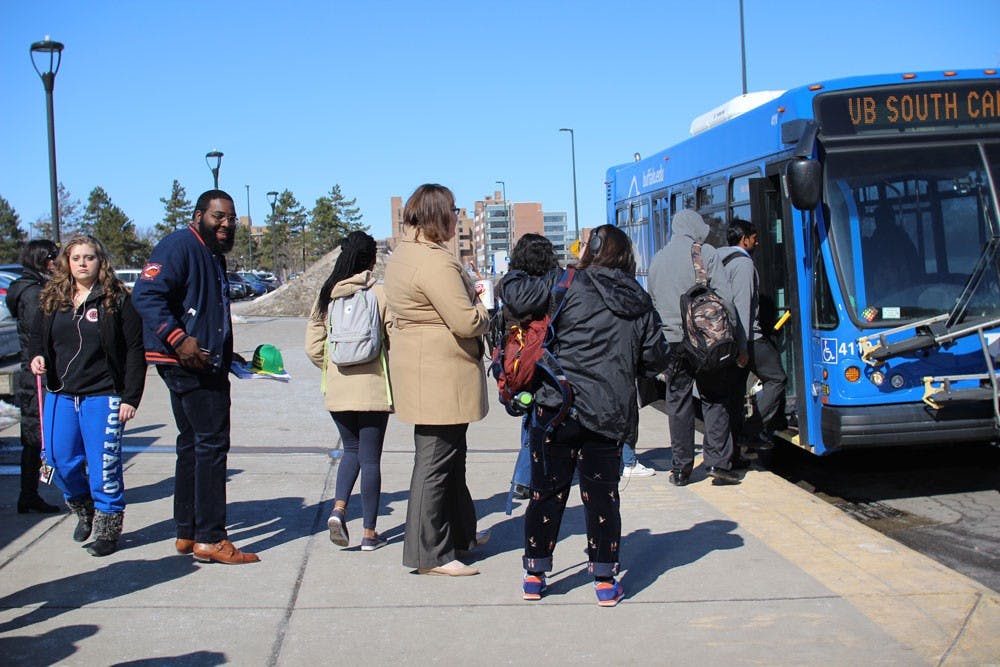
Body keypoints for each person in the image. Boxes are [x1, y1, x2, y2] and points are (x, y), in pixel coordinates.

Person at [499, 224, 669, 606]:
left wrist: (515, 267)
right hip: (609, 413)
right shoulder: (638, 298)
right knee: (603, 497)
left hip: (557, 404)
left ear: (590, 252)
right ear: (627, 256)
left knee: (547, 493)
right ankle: (606, 580)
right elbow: (656, 356)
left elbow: (512, 293)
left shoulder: (567, 283)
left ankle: (535, 574)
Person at [131, 189, 259, 565]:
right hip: (188, 364)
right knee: (211, 446)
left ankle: (186, 532)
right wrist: (179, 340)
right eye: (218, 216)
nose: (225, 224)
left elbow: (206, 311)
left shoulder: (211, 254)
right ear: (200, 214)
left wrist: (227, 353)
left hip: (202, 361)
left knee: (191, 444)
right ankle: (210, 538)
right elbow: (146, 295)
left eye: (231, 219)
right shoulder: (178, 246)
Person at [383, 183, 491, 577]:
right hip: (441, 375)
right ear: (437, 215)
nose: (456, 217)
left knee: (449, 459)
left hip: (423, 371)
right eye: (453, 210)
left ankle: (460, 535)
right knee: (435, 464)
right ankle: (431, 554)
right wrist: (484, 307)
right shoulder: (435, 263)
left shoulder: (404, 254)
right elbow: (465, 320)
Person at [28, 236, 146, 556]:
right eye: (76, 257)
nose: (82, 263)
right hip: (61, 394)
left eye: (89, 257)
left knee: (103, 465)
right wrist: (37, 356)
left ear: (100, 261)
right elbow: (38, 337)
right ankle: (83, 506)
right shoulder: (53, 297)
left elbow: (135, 351)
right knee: (57, 459)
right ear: (67, 261)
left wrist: (130, 397)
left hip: (103, 395)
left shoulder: (118, 299)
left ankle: (108, 527)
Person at [305, 231, 393, 551]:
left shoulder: (327, 295)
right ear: (371, 259)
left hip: (339, 390)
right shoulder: (381, 295)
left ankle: (339, 509)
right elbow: (393, 337)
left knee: (350, 450)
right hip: (372, 390)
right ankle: (369, 533)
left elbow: (312, 346)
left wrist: (333, 367)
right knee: (370, 460)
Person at [648, 209, 743, 487]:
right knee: (715, 397)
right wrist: (733, 336)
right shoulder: (707, 253)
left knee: (677, 402)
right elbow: (726, 300)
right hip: (705, 340)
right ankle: (718, 462)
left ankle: (680, 468)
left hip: (672, 343)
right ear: (694, 227)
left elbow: (652, 300)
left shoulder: (658, 259)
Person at [716, 219, 786, 455]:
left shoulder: (717, 260)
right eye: (754, 238)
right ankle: (753, 430)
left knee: (734, 396)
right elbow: (742, 306)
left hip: (723, 338)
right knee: (777, 378)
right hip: (748, 338)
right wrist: (744, 347)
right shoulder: (744, 264)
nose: (757, 242)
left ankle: (733, 453)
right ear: (743, 239)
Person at [503, 233, 561, 504]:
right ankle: (527, 477)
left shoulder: (514, 288)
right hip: (548, 358)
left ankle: (523, 478)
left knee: (529, 416)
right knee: (539, 419)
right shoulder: (553, 284)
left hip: (520, 362)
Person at [7, 240, 61, 514]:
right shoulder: (33, 293)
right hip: (36, 374)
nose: (58, 261)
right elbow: (38, 335)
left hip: (35, 371)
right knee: (35, 438)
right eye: (54, 256)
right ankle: (30, 493)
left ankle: (32, 492)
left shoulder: (32, 289)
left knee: (37, 435)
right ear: (43, 260)